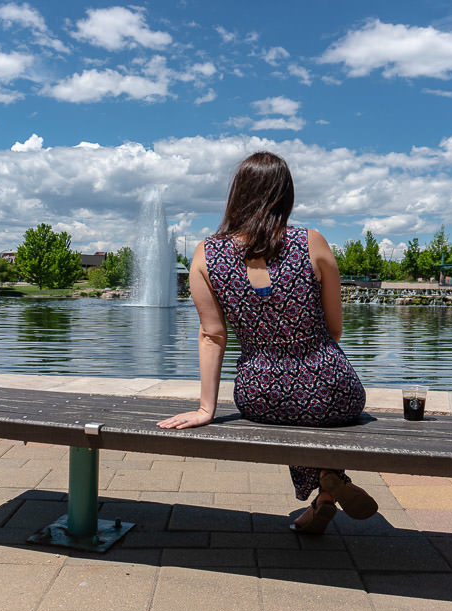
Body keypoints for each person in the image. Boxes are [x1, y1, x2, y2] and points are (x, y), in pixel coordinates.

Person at [157, 151, 377, 534]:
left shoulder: (206, 254)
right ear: (285, 195)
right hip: (331, 387)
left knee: (291, 408)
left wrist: (206, 409)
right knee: (310, 406)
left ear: (236, 195)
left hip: (260, 392)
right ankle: (328, 481)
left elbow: (212, 335)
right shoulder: (312, 243)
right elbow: (335, 329)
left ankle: (326, 491)